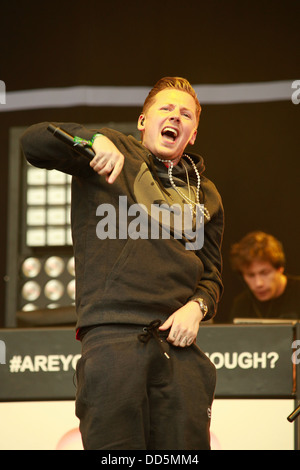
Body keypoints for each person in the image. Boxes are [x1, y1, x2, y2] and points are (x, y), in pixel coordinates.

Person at [21, 77, 224, 450]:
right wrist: (92, 139)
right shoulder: (111, 151)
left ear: (193, 134)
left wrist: (198, 308)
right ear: (143, 121)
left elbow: (211, 277)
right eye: (166, 109)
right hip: (113, 337)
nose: (176, 118)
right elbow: (33, 142)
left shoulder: (205, 192)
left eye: (186, 115)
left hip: (180, 347)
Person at [229, 231, 300, 321]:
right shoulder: (241, 305)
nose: (259, 283)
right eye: (251, 275)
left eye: (265, 273)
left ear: (280, 269)